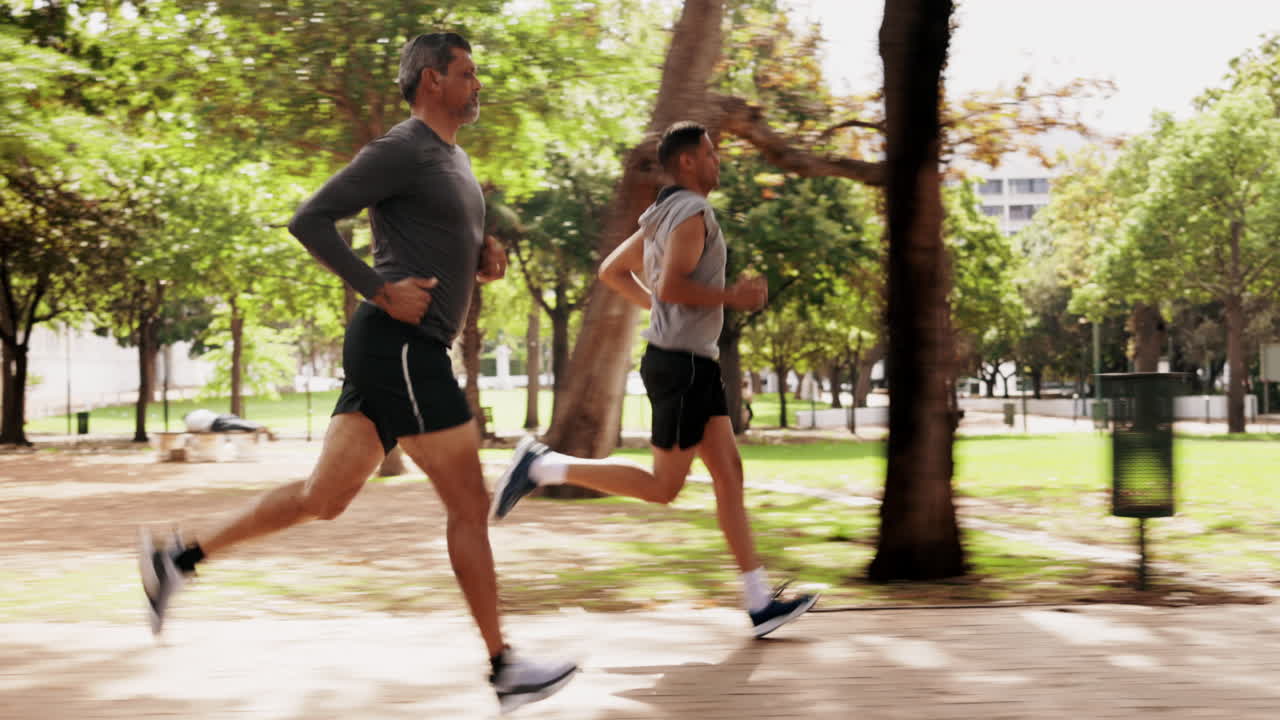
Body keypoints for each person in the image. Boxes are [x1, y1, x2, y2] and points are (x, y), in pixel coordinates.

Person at [137, 32, 577, 714]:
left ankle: (179, 559)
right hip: (402, 344)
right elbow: (309, 220)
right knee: (467, 504)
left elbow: (434, 241)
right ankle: (504, 667)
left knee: (324, 497)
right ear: (431, 79)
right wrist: (380, 290)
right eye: (467, 73)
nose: (477, 84)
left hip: (396, 349)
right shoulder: (402, 147)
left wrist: (480, 258)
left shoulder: (452, 160)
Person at [490, 121, 818, 639]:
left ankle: (758, 601)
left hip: (691, 361)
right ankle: (544, 466)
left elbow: (613, 272)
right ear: (687, 162)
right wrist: (732, 298)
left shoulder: (661, 213)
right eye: (710, 153)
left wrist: (662, 311)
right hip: (682, 366)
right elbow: (672, 284)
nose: (717, 161)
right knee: (665, 487)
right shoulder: (691, 211)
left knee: (729, 476)